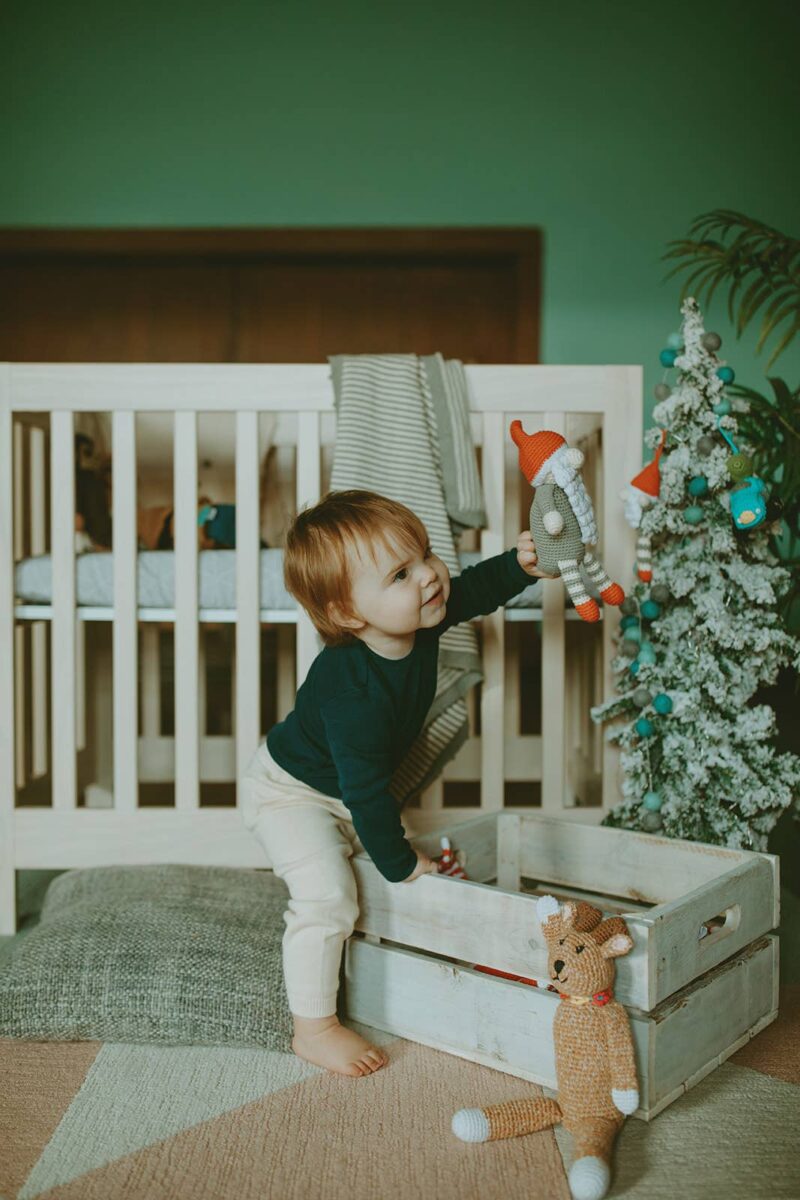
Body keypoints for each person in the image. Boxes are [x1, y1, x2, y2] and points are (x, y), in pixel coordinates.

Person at [239, 489, 550, 1077]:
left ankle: (378, 968)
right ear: (349, 613)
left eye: (425, 555)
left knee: (379, 880)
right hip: (289, 794)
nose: (430, 577)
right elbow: (364, 796)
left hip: (345, 789)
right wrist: (403, 863)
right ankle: (314, 1028)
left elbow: (472, 591)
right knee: (329, 896)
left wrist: (519, 564)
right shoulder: (350, 690)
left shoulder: (417, 618)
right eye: (401, 573)